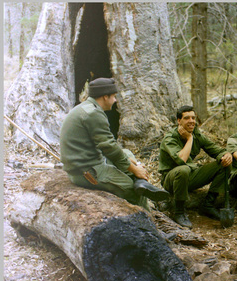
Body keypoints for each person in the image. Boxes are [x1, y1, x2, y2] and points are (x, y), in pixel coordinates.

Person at [60, 78, 169, 209]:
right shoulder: (93, 114)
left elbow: (107, 145)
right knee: (129, 187)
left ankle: (141, 183)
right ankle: (147, 217)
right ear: (105, 97)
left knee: (126, 153)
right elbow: (109, 147)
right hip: (86, 172)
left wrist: (128, 163)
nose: (116, 100)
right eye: (114, 96)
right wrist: (134, 168)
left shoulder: (86, 108)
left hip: (89, 162)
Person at [158, 106, 233, 228]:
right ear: (179, 121)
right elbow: (181, 160)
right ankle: (179, 212)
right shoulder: (170, 138)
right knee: (183, 170)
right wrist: (189, 139)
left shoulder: (197, 134)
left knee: (224, 165)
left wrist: (226, 155)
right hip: (171, 180)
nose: (191, 121)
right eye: (187, 118)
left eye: (193, 118)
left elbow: (215, 150)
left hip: (189, 176)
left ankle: (208, 205)